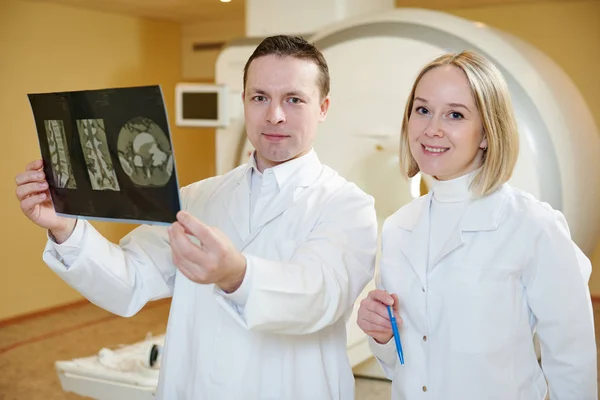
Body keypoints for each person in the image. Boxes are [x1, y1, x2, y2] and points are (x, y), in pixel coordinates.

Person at [15, 35, 378, 399]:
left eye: (294, 99)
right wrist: (66, 228)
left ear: (324, 107)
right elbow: (130, 281)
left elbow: (319, 295)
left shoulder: (347, 206)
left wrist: (237, 274)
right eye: (260, 97)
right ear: (244, 102)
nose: (274, 115)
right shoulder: (197, 197)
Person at [357, 50, 597, 399]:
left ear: (486, 133)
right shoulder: (398, 229)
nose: (432, 128)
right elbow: (405, 366)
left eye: (455, 114)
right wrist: (382, 336)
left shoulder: (531, 225)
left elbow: (572, 361)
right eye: (422, 110)